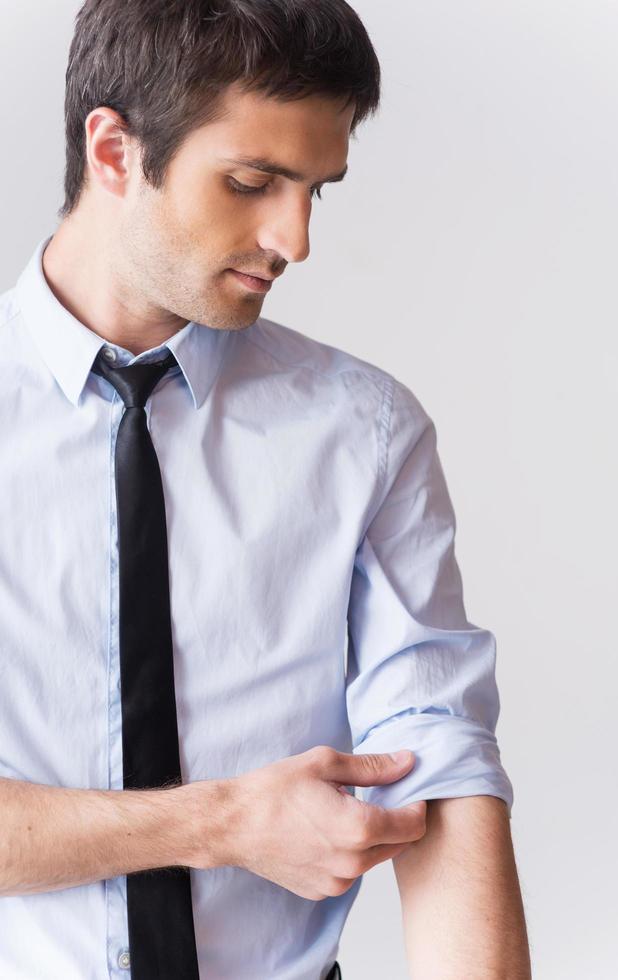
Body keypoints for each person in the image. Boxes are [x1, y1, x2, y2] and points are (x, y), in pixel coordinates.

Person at [0, 1, 531, 978]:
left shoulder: (364, 431)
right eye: (253, 182)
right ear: (113, 151)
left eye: (315, 191)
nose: (294, 237)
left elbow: (440, 761)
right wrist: (225, 820)